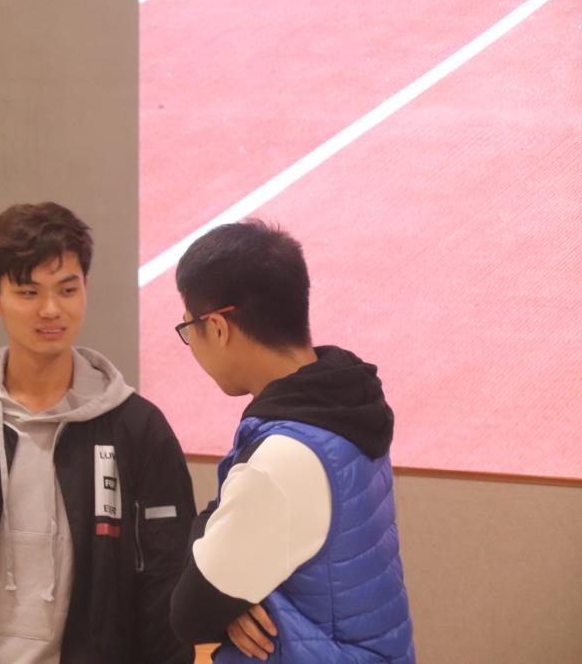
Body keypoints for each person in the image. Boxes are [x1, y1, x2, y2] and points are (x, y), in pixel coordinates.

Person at [0, 202, 196, 664]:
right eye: (28, 292)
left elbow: (166, 587)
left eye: (67, 289)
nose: (51, 310)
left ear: (85, 288)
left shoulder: (139, 431)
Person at [169, 220, 415, 663]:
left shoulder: (280, 461)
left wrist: (229, 599)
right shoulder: (343, 402)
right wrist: (231, 597)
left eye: (189, 328)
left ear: (218, 327)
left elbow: (190, 612)